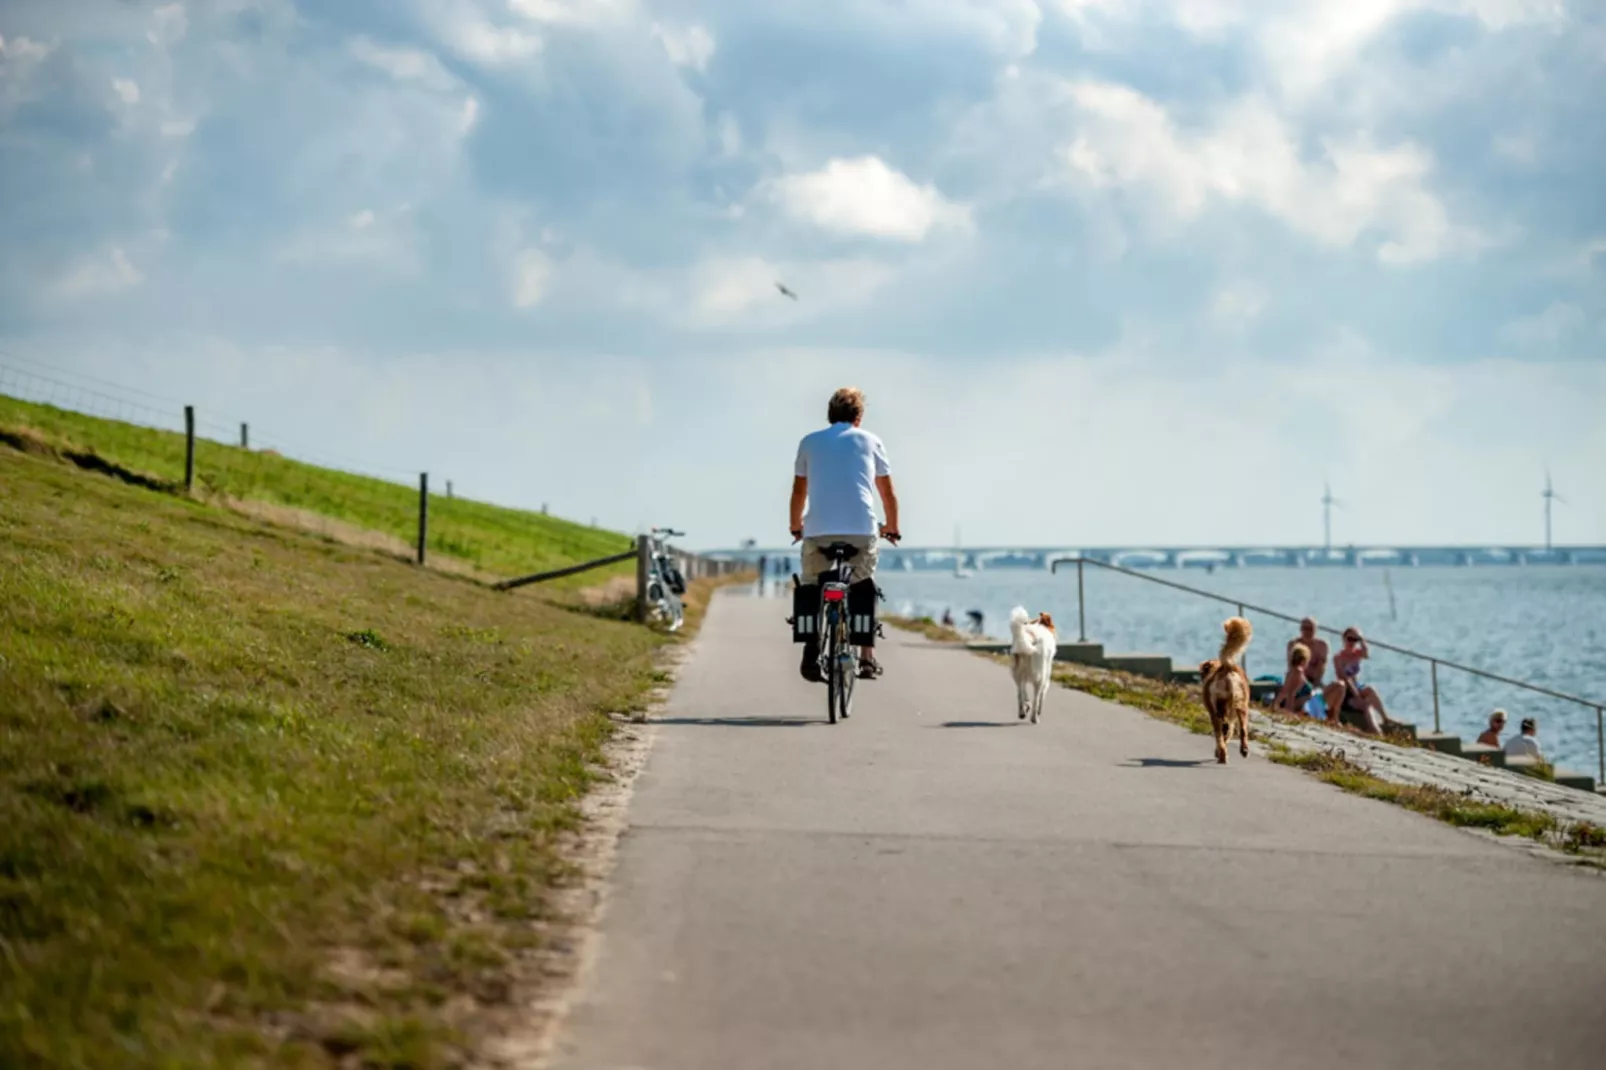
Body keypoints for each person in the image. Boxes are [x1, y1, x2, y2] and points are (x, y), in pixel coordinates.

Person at [790, 386, 900, 681]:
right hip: (862, 531)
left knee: (813, 584)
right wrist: (892, 526)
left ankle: (811, 650)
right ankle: (866, 658)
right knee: (862, 584)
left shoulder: (809, 442)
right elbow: (887, 493)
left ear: (829, 415)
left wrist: (795, 525)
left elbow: (799, 490)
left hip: (818, 532)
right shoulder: (872, 441)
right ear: (858, 417)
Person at [1320, 627, 1390, 734]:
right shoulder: (1338, 657)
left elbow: (1366, 653)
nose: (1352, 642)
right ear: (1344, 639)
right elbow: (1344, 678)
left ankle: (1385, 718)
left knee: (1370, 690)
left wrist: (1361, 639)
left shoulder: (1357, 654)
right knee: (1366, 705)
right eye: (1350, 639)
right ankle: (1374, 728)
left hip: (1356, 686)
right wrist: (1357, 696)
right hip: (1346, 692)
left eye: (1355, 640)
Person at [1273, 642, 1315, 716]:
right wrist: (1277, 705)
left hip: (1307, 704)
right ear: (1303, 660)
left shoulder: (1293, 671)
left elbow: (1287, 691)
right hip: (1305, 704)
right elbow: (1290, 693)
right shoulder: (1297, 672)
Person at [1287, 618, 1330, 687]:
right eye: (1304, 628)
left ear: (1315, 630)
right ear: (1300, 629)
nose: (1307, 632)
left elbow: (1321, 667)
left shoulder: (1322, 646)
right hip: (1296, 680)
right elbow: (1291, 667)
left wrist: (1315, 685)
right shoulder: (1293, 644)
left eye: (1310, 629)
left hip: (1315, 681)